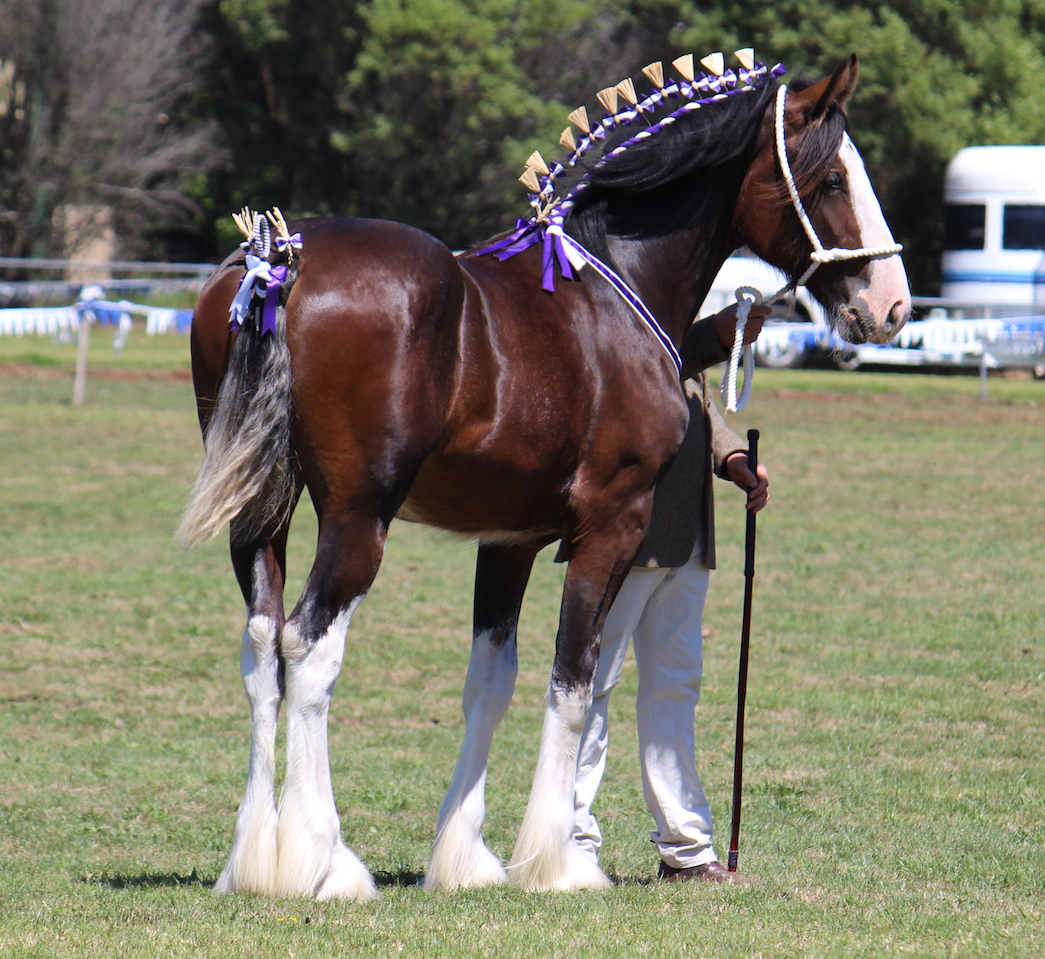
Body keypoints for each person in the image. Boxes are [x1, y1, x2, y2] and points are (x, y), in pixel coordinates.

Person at [573, 303, 771, 884]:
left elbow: (698, 398)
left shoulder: (675, 319)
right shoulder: (626, 315)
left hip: (687, 537)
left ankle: (685, 849)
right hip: (623, 540)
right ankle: (570, 842)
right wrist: (717, 331)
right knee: (589, 689)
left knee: (675, 688)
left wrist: (735, 459)